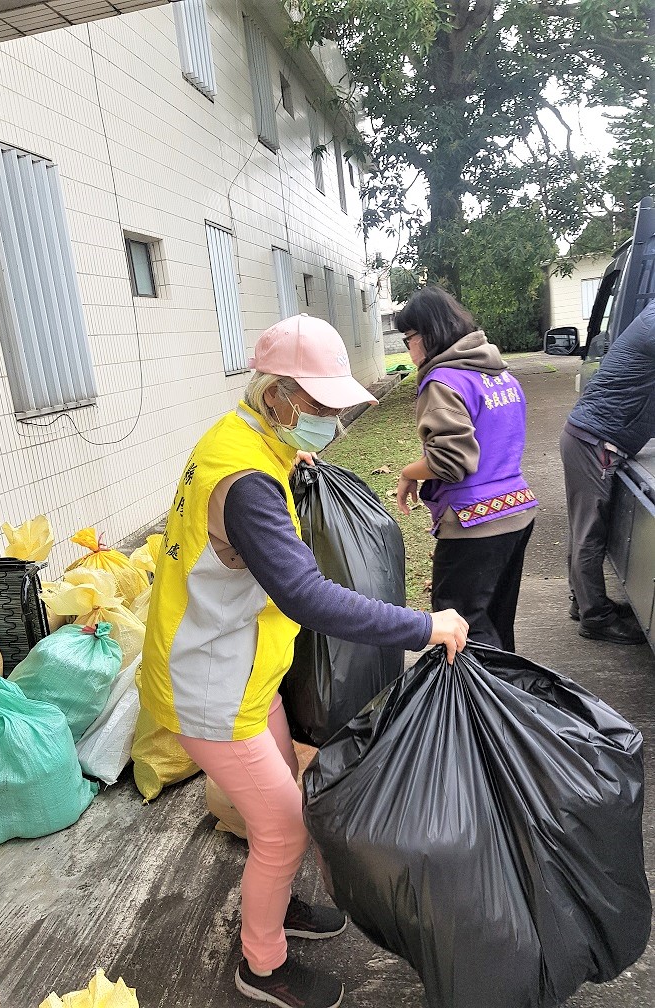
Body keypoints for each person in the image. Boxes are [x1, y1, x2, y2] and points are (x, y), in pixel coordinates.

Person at [140, 313, 469, 1008]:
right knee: (284, 827)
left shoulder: (245, 439)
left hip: (239, 668)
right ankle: (262, 965)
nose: (330, 420)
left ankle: (276, 903)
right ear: (278, 396)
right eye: (318, 407)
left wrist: (294, 455)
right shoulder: (251, 483)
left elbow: (254, 491)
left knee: (287, 808)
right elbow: (310, 596)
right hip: (212, 686)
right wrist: (422, 624)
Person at [394, 286, 537, 652]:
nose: (407, 348)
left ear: (427, 336)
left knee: (458, 628)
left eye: (407, 338)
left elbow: (451, 461)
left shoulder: (443, 382)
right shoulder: (500, 375)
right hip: (518, 512)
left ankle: (478, 708)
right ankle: (508, 700)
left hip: (476, 522)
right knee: (496, 621)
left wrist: (410, 472)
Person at [560, 298, 655, 644]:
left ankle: (583, 602)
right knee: (589, 532)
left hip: (587, 437)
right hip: (595, 441)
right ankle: (595, 618)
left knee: (582, 528)